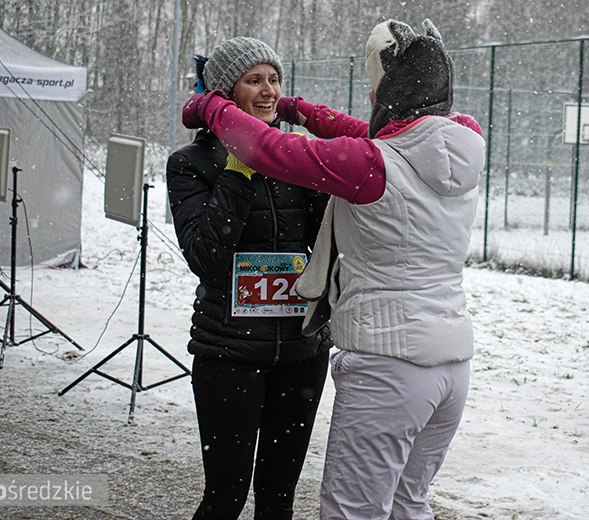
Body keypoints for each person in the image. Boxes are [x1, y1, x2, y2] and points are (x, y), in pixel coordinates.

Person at [180, 18, 486, 519]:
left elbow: (267, 149)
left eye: (375, 88)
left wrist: (211, 105)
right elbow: (375, 133)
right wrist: (301, 110)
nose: (369, 96)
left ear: (395, 91)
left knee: (352, 511)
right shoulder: (463, 139)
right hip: (450, 360)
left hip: (390, 361)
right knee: (409, 503)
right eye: (254, 79)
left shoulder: (372, 164)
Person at [166, 37, 333, 520]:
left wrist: (319, 172)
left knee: (279, 502)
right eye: (254, 80)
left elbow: (329, 243)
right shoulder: (190, 163)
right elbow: (206, 256)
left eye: (275, 80)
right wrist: (240, 167)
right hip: (230, 354)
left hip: (301, 355)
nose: (268, 91)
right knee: (224, 500)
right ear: (225, 94)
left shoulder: (295, 155)